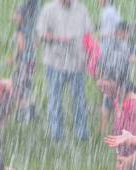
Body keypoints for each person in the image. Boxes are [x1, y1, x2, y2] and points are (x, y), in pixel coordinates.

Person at [35, 0, 94, 141]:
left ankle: (82, 134)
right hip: (55, 63)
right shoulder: (49, 9)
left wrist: (91, 55)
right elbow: (42, 34)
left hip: (76, 63)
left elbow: (89, 34)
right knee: (55, 100)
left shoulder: (81, 9)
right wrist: (60, 39)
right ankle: (57, 134)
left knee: (79, 101)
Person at [99, 22, 133, 134]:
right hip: (118, 78)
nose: (127, 34)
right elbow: (122, 62)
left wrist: (103, 76)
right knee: (116, 105)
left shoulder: (109, 42)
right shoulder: (122, 45)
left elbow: (102, 60)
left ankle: (104, 131)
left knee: (108, 103)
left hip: (110, 77)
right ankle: (115, 131)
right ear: (121, 32)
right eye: (126, 32)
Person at [11, 0, 41, 123]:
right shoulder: (33, 27)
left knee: (19, 87)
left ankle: (24, 116)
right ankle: (32, 111)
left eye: (16, 15)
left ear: (22, 16)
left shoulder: (21, 30)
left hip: (24, 61)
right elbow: (37, 44)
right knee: (28, 85)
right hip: (32, 60)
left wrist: (14, 58)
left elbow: (21, 46)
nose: (13, 17)